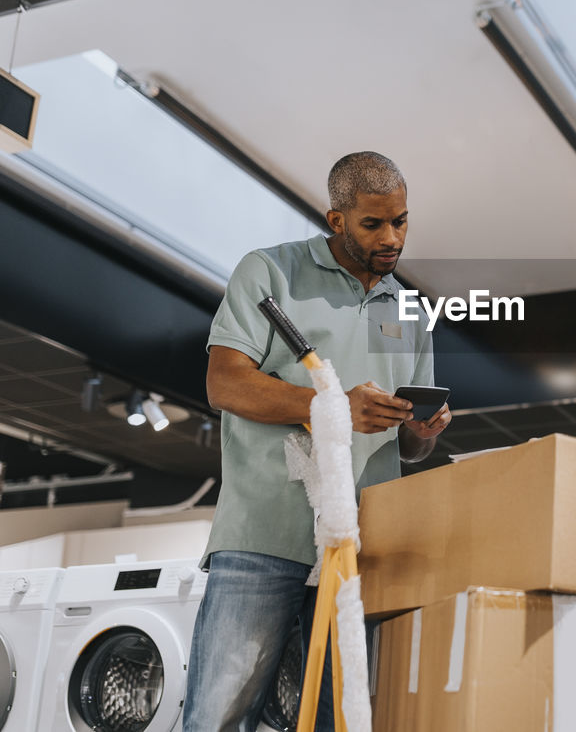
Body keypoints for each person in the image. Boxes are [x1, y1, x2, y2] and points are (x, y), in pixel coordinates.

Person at [183, 151, 451, 731]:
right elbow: (224, 382)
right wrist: (332, 407)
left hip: (362, 545)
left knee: (344, 719)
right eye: (373, 224)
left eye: (401, 221)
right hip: (265, 534)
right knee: (218, 717)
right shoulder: (268, 272)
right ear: (336, 220)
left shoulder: (409, 308)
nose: (392, 237)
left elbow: (409, 452)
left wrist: (419, 431)